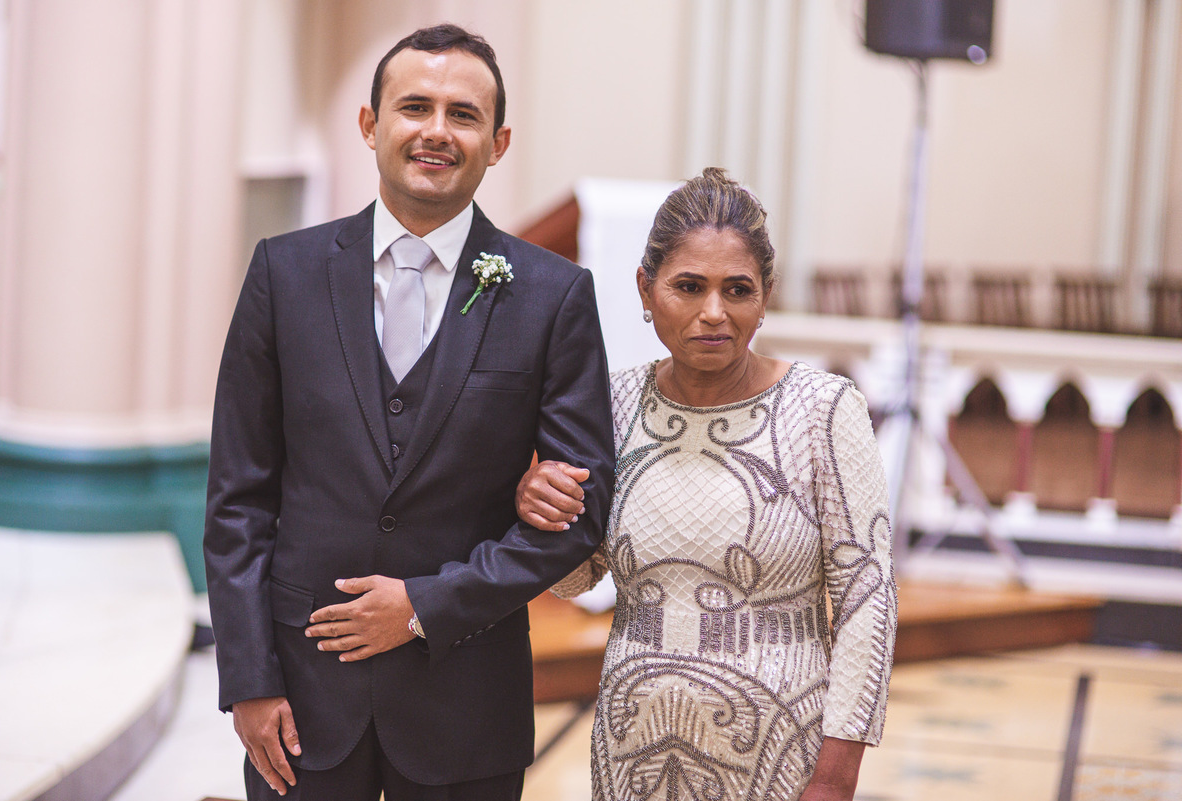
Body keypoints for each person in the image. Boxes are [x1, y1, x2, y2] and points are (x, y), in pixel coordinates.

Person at [204, 24, 615, 801]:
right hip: (301, 702)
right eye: (414, 106)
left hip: (466, 699)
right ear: (370, 125)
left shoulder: (553, 295)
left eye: (463, 114)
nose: (436, 131)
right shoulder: (283, 274)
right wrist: (249, 679)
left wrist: (424, 605)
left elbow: (581, 512)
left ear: (497, 142)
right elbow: (238, 499)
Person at [516, 168, 897, 801]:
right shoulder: (610, 406)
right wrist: (537, 509)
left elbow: (867, 599)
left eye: (737, 290)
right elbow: (576, 578)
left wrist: (836, 775)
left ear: (766, 295)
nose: (713, 313)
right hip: (630, 748)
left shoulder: (824, 411)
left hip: (781, 757)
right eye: (688, 287)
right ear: (645, 288)